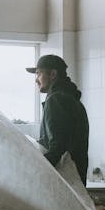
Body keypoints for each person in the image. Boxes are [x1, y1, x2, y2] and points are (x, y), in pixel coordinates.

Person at [26, 54, 90, 185]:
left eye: (38, 74)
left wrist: (35, 170)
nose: (36, 80)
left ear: (53, 74)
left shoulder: (56, 100)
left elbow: (58, 146)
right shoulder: (71, 99)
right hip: (75, 177)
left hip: (64, 180)